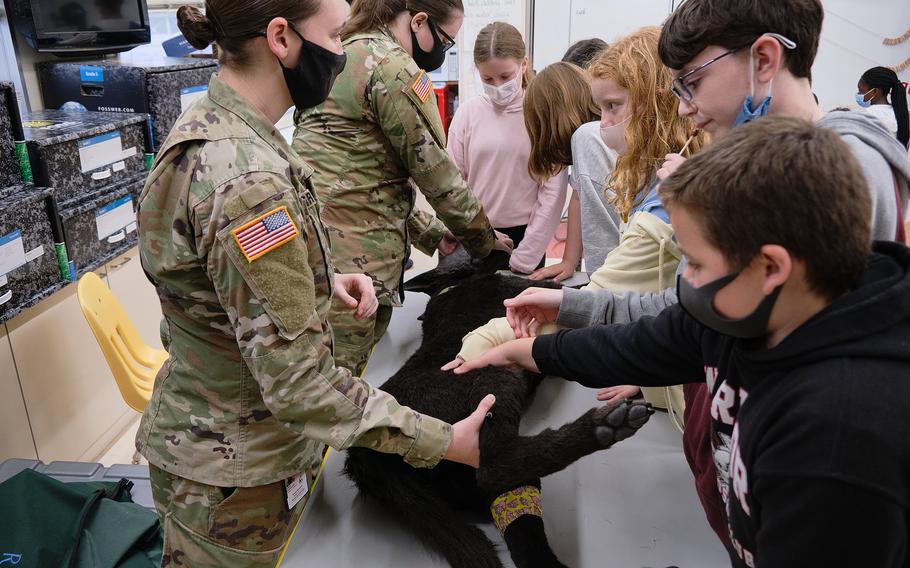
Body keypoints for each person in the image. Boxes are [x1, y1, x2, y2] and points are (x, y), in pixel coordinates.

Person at [499, 0, 910, 545]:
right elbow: (691, 320)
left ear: (764, 59)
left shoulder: (830, 433)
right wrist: (569, 319)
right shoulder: (740, 181)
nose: (685, 108)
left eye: (691, 82)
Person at [454, 117, 910, 568]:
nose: (685, 283)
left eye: (693, 262)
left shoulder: (838, 439)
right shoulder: (747, 311)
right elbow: (637, 345)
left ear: (771, 267)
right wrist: (525, 351)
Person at [136, 1, 494, 564]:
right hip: (237, 474)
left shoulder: (229, 129)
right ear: (281, 37)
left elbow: (217, 289)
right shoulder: (248, 180)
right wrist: (445, 442)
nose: (341, 52)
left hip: (232, 446)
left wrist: (323, 282)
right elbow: (301, 386)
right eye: (333, 35)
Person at [449, 28, 704, 419]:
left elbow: (620, 295)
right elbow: (658, 306)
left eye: (614, 106)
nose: (602, 125)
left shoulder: (667, 202)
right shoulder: (663, 184)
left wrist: (493, 341)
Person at [292, 0, 513, 376]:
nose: (444, 51)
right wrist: (482, 240)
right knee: (337, 388)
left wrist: (430, 233)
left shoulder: (341, 52)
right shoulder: (391, 67)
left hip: (314, 246)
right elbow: (436, 173)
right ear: (420, 21)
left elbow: (362, 175)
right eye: (446, 40)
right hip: (356, 261)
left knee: (316, 375)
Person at [446, 22, 565, 274]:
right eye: (487, 78)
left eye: (506, 76)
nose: (498, 86)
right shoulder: (468, 113)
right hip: (475, 234)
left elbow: (552, 194)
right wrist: (474, 233)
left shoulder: (541, 115)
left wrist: (527, 255)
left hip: (526, 237)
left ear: (524, 64)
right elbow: (451, 183)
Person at [857, 66, 910, 148]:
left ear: (875, 91)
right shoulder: (899, 114)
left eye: (861, 91)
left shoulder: (866, 115)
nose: (858, 94)